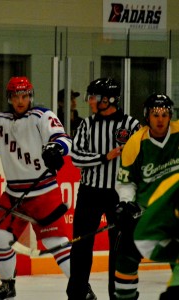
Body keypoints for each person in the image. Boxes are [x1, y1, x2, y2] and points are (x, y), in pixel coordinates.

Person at [0, 76, 72, 300]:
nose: (20, 101)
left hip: (44, 192)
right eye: (15, 96)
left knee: (56, 243)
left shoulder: (43, 116)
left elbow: (64, 139)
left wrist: (56, 148)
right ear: (9, 98)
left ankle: (82, 286)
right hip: (14, 195)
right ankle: (7, 284)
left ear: (30, 96)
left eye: (24, 96)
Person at [67, 78, 140, 300]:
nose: (89, 101)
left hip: (120, 195)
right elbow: (76, 156)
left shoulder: (131, 125)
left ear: (108, 99)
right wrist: (103, 157)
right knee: (81, 247)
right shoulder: (87, 124)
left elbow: (141, 157)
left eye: (93, 97)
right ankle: (77, 294)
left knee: (118, 249)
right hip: (90, 192)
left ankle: (117, 295)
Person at [116, 93, 178, 299]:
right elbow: (126, 181)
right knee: (125, 255)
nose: (160, 119)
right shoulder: (136, 143)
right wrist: (126, 203)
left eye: (164, 114)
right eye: (155, 114)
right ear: (147, 116)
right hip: (146, 212)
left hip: (175, 210)